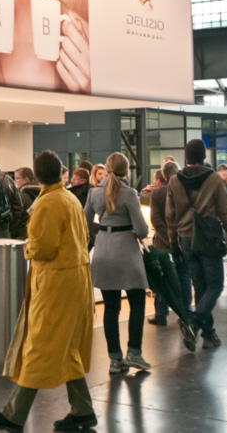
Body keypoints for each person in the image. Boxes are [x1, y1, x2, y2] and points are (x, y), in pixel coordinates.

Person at [0, 150, 95, 432]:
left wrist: (27, 247)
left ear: (37, 175)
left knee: (38, 346)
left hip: (55, 284)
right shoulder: (69, 199)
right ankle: (83, 411)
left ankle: (13, 416)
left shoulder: (48, 203)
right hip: (77, 280)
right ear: (60, 172)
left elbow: (43, 248)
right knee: (67, 347)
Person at [166, 140, 227, 351]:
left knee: (199, 286)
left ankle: (209, 335)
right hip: (208, 238)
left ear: (186, 156)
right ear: (204, 156)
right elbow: (225, 213)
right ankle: (194, 322)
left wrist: (173, 242)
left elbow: (170, 216)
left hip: (186, 239)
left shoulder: (173, 181)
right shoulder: (214, 179)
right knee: (215, 285)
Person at [85, 153, 150, 374]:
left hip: (103, 253)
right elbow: (142, 230)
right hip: (127, 255)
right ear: (126, 171)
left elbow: (85, 223)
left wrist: (102, 229)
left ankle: (115, 359)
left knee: (110, 308)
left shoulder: (94, 192)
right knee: (137, 302)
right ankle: (134, 352)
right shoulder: (129, 193)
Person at [148, 161, 182, 327]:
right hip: (182, 241)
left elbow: (155, 219)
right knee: (183, 277)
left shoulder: (158, 192)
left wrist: (167, 236)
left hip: (162, 243)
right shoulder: (183, 189)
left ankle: (161, 315)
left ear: (163, 175)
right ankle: (185, 314)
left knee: (162, 280)